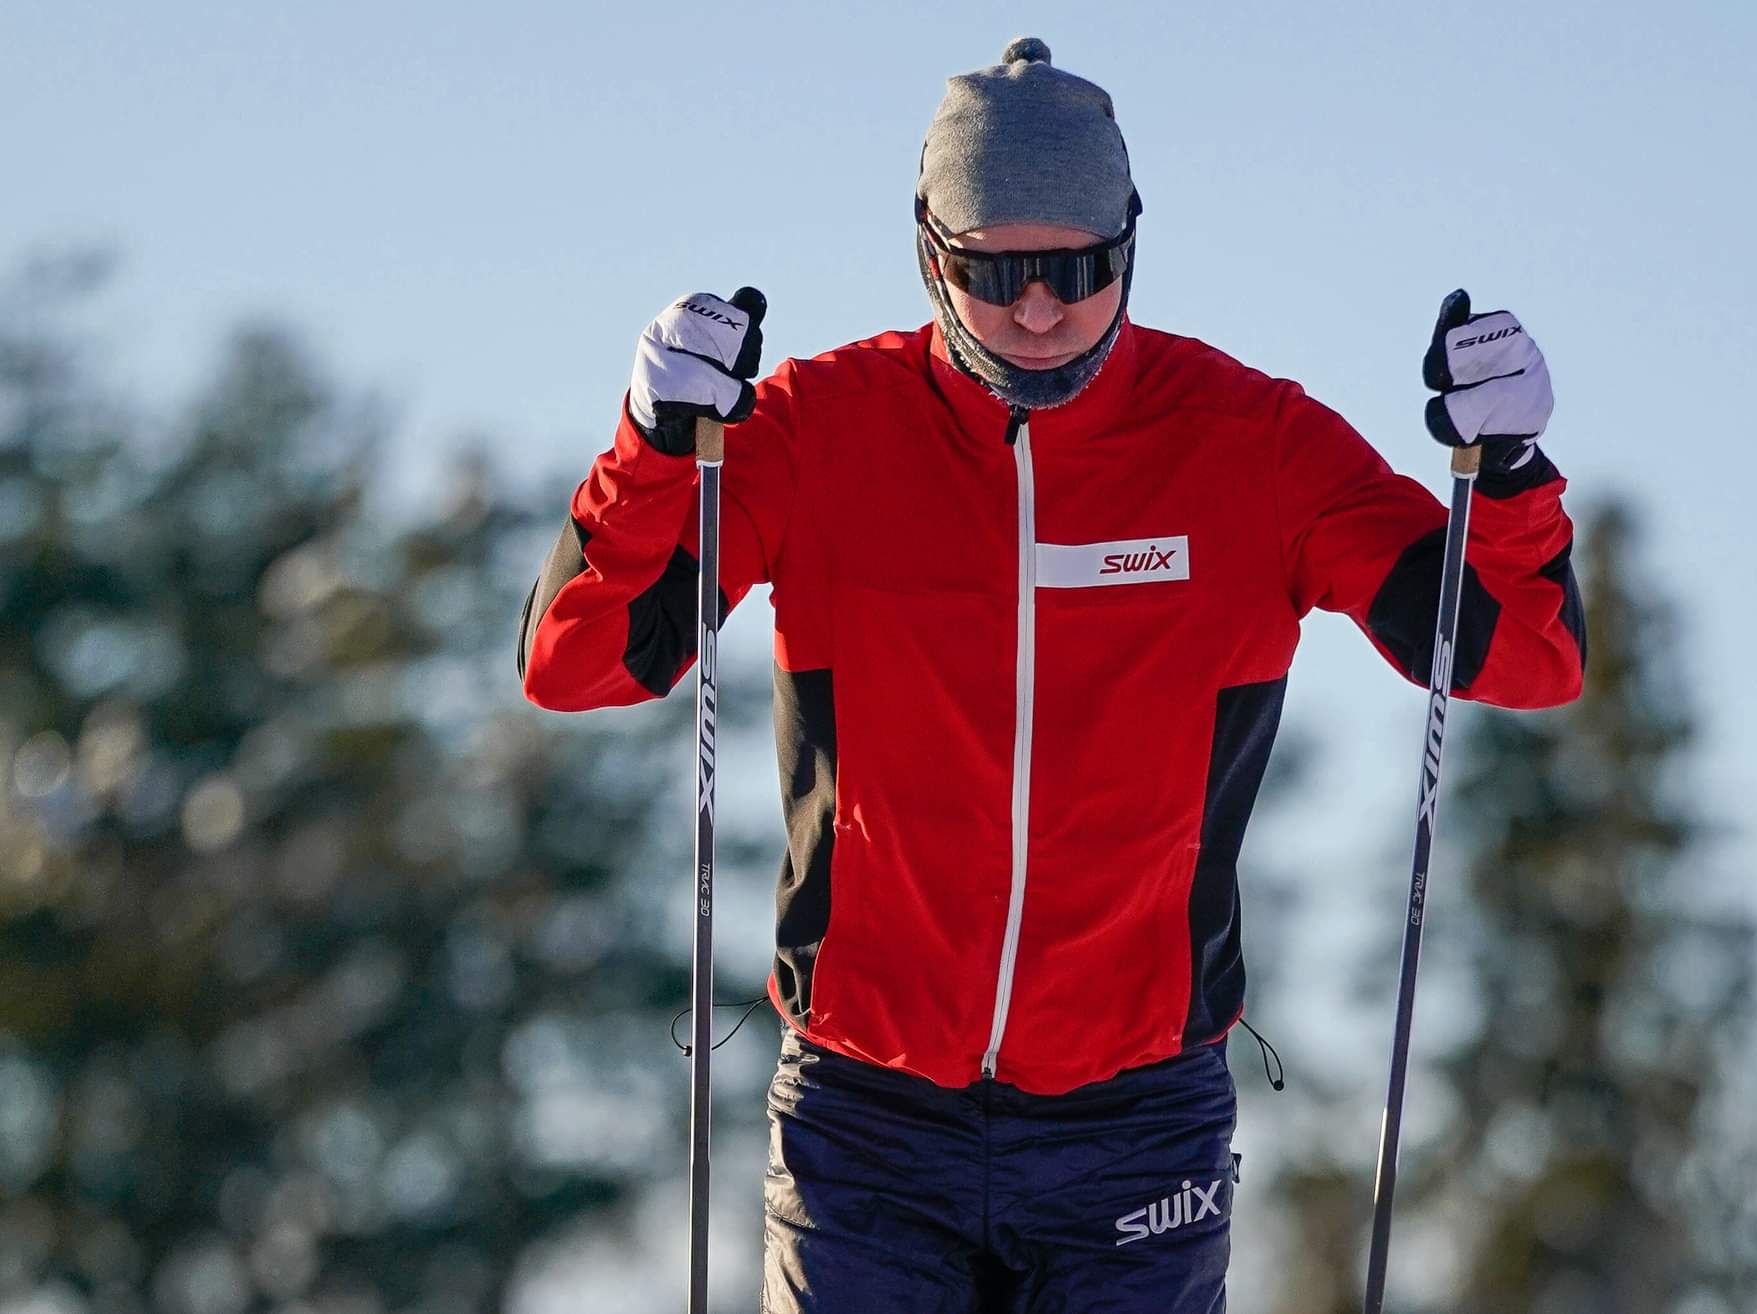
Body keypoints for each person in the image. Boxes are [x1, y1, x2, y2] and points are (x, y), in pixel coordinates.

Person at [518, 35, 1585, 1314]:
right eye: (998, 270)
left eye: (1077, 268)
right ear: (930, 252)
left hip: (1132, 1120)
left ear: (1128, 247)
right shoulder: (815, 431)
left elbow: (1522, 657)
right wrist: (650, 448)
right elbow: (576, 662)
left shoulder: (1249, 447)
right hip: (867, 1118)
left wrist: (1508, 477)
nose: (1039, 308)